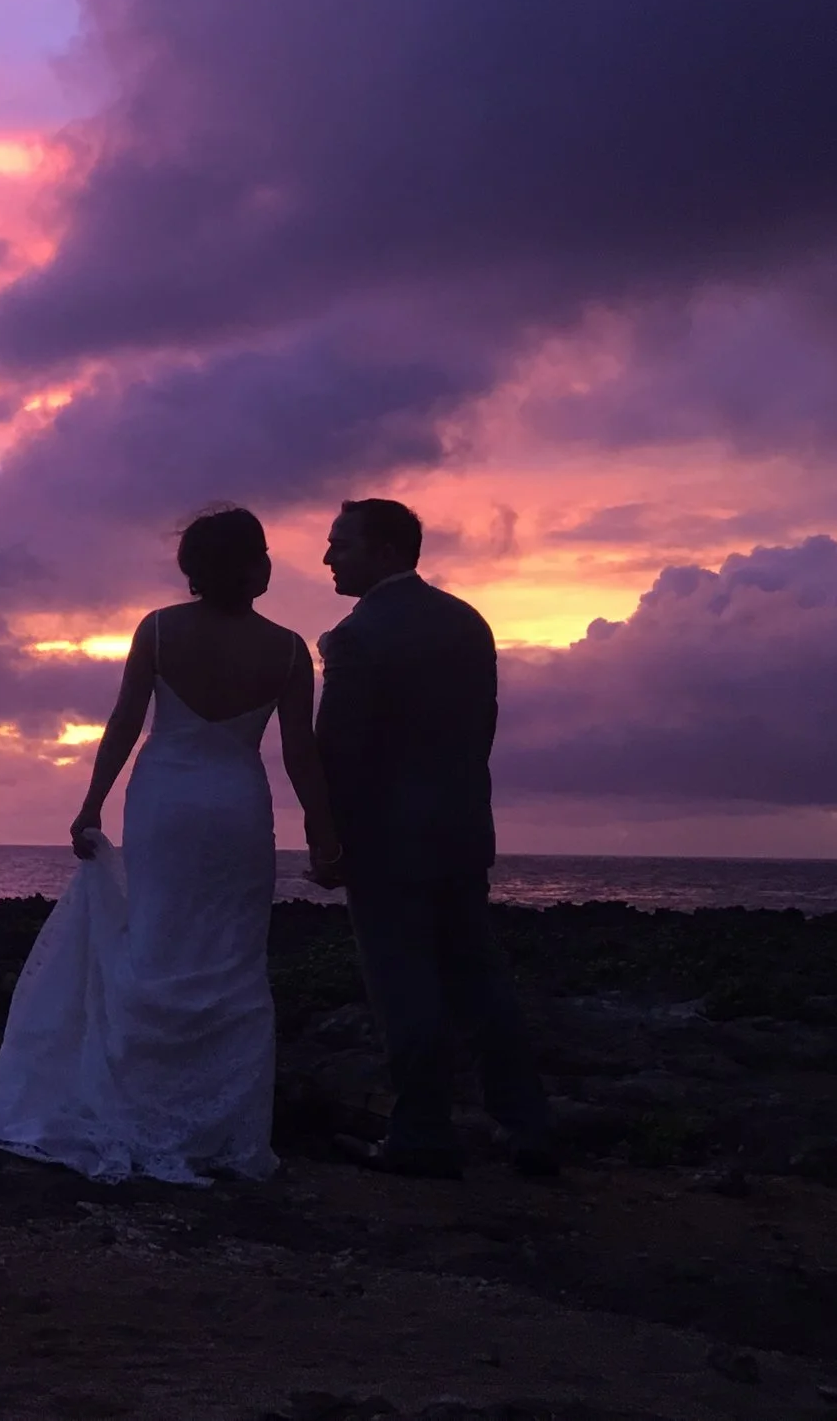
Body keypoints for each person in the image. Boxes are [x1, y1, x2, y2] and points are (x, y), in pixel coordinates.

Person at [0, 505, 341, 1183]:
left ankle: (142, 1103)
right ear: (249, 565)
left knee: (156, 943)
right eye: (263, 552)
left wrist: (91, 801)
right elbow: (300, 751)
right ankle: (214, 1125)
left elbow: (126, 720)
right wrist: (322, 825)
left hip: (165, 802)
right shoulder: (285, 647)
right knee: (230, 957)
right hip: (238, 808)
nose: (272, 563)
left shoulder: (159, 630)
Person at [318, 497, 555, 1179]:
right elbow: (485, 726)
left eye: (342, 544)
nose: (329, 557)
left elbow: (339, 749)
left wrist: (330, 840)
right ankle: (527, 1124)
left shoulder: (356, 636)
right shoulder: (468, 623)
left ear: (386, 550)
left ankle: (422, 1133)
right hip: (460, 827)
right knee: (482, 983)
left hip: (386, 841)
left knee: (404, 989)